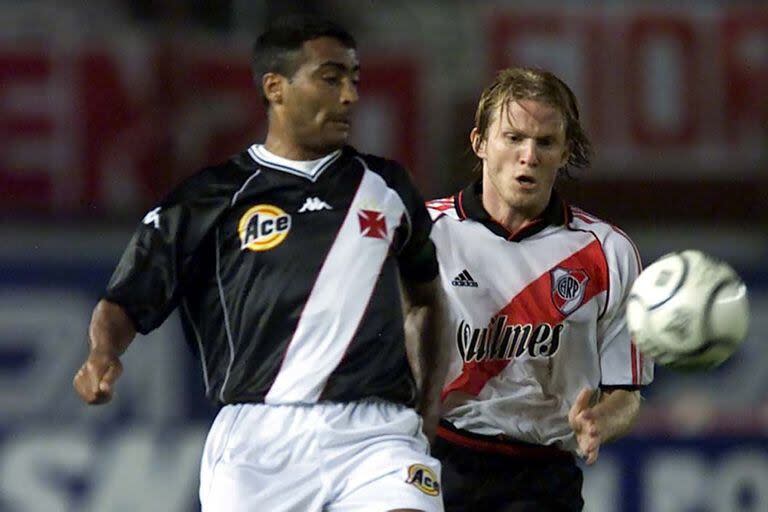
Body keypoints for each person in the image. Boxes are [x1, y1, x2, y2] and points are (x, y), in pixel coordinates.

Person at [73, 17, 447, 512]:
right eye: (331, 78)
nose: (351, 96)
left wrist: (427, 406)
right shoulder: (209, 198)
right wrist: (102, 353)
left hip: (376, 436)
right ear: (276, 87)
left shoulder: (388, 187)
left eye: (355, 79)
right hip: (258, 443)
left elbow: (425, 299)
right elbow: (123, 301)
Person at [426, 67, 654, 511]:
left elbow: (627, 394)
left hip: (542, 477)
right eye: (513, 138)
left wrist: (597, 423)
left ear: (565, 152)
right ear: (480, 144)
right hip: (437, 460)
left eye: (545, 142)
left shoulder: (608, 253)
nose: (528, 155)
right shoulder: (423, 234)